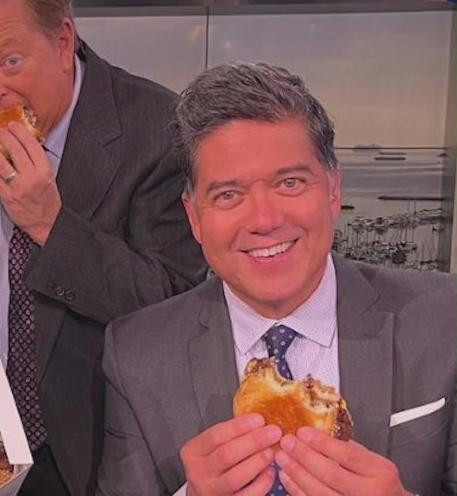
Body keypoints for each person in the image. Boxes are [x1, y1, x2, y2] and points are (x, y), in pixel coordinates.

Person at [0, 0, 206, 493]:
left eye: (11, 61)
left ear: (62, 40)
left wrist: (50, 226)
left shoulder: (156, 128)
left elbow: (173, 305)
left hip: (84, 453)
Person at [96, 62, 457, 496]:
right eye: (228, 194)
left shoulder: (443, 321)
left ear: (333, 190)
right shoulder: (137, 355)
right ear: (193, 217)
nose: (264, 220)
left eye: (289, 182)